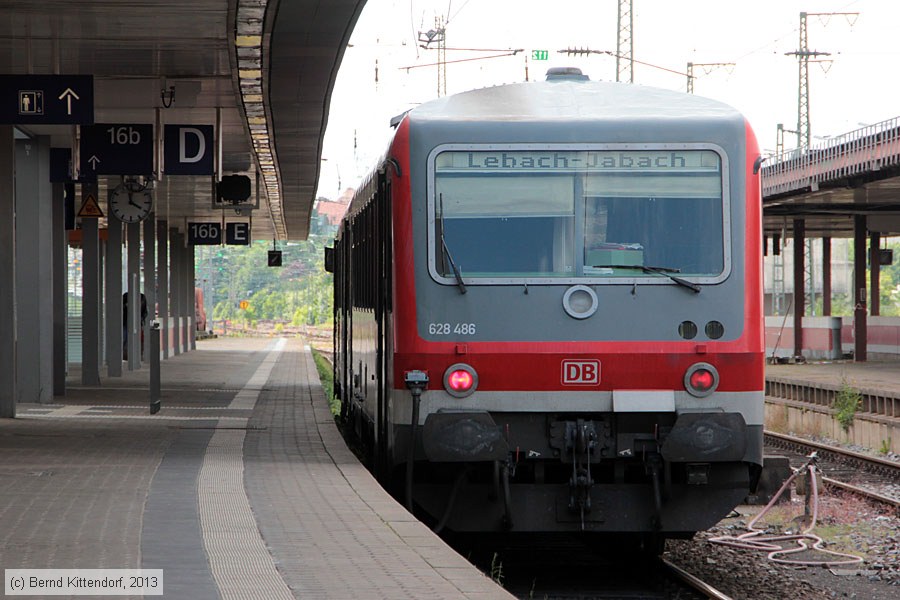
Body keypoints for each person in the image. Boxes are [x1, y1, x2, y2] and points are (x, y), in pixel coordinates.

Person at [123, 292, 148, 358]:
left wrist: (141, 319)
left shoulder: (142, 297)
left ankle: (132, 355)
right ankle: (125, 355)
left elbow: (145, 312)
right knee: (124, 338)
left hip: (136, 323)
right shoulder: (126, 296)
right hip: (125, 322)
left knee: (134, 339)